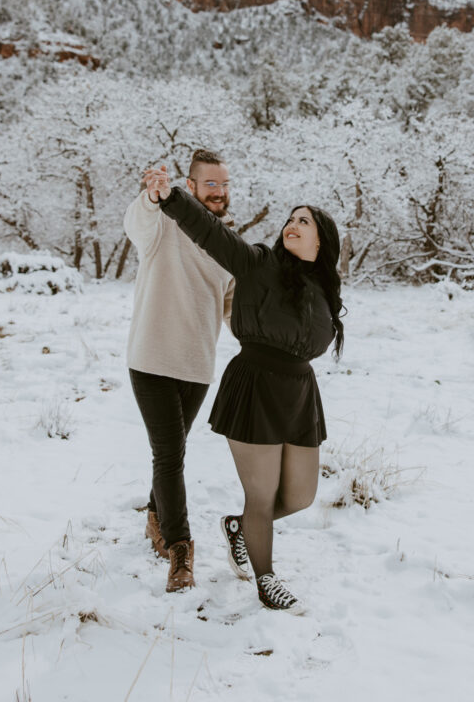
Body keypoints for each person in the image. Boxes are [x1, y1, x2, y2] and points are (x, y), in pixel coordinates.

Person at [144, 165, 344, 614]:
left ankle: (242, 528)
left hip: (299, 393)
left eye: (304, 221)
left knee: (299, 496)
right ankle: (266, 576)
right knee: (261, 494)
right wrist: (170, 197)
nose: (292, 225)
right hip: (254, 384)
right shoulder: (257, 264)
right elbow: (210, 232)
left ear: (321, 241)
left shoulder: (325, 288)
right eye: (290, 219)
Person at [125, 149, 234, 593]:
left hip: (197, 366)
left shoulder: (227, 244)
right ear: (189, 187)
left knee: (173, 449)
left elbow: (235, 310)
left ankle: (156, 514)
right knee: (170, 455)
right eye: (210, 184)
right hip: (151, 359)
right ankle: (180, 548)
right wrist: (152, 198)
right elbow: (137, 224)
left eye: (224, 185)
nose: (219, 192)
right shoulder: (163, 226)